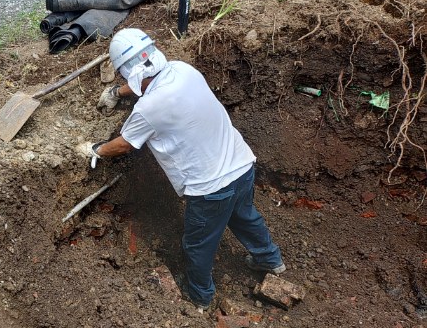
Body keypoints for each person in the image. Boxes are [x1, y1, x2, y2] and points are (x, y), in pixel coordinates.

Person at [77, 28, 284, 311]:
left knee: (198, 245)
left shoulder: (148, 109)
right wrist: (118, 92)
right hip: (241, 165)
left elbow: (125, 145)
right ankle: (271, 260)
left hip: (210, 189)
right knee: (244, 216)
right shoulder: (183, 70)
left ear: (128, 71)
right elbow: (149, 80)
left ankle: (200, 297)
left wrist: (94, 149)